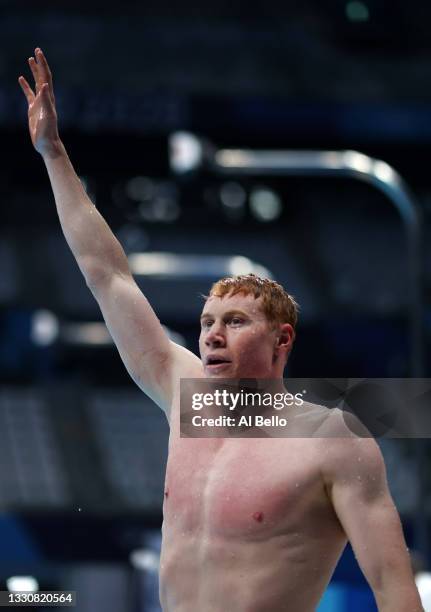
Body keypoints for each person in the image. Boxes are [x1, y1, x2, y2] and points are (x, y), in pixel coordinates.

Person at [19, 48, 423, 612]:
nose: (211, 334)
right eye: (208, 322)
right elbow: (107, 275)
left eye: (235, 323)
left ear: (282, 341)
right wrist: (54, 154)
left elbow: (394, 590)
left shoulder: (334, 441)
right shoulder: (185, 396)